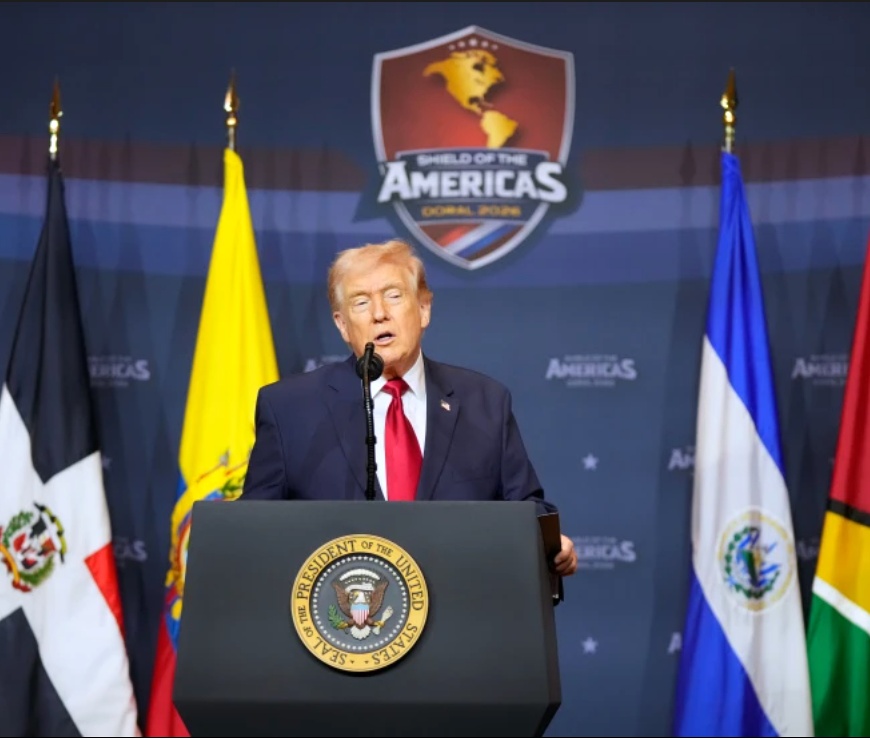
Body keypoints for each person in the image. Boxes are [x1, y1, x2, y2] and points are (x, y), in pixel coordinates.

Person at [240, 238, 578, 577]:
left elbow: (527, 509)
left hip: (461, 610)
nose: (379, 313)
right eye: (361, 302)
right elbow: (254, 530)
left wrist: (550, 544)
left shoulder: (484, 402)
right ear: (343, 325)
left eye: (393, 295)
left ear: (423, 309)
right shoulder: (289, 409)